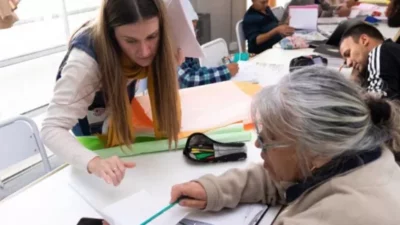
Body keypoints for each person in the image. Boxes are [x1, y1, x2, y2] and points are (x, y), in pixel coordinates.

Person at [170, 66, 400, 225]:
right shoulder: (354, 152)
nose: (258, 144)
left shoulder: (343, 214)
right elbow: (285, 176)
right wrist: (216, 189)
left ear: (314, 151)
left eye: (267, 139)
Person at [41, 0, 183, 186]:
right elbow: (51, 129)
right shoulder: (84, 65)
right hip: (89, 117)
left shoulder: (161, 33)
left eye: (152, 36)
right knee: (104, 182)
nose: (145, 51)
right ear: (111, 34)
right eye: (130, 41)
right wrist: (95, 163)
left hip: (115, 108)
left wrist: (170, 64)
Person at [178, 0, 239, 88]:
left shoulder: (187, 46)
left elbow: (197, 71)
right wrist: (225, 71)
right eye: (191, 29)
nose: (194, 34)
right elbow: (188, 79)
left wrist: (218, 69)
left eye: (195, 29)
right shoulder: (171, 48)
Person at [340, 23, 400, 100]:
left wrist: (352, 86)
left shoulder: (380, 51)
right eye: (345, 61)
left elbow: (378, 102)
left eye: (348, 54)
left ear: (364, 40)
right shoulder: (390, 51)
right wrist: (357, 80)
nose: (349, 63)